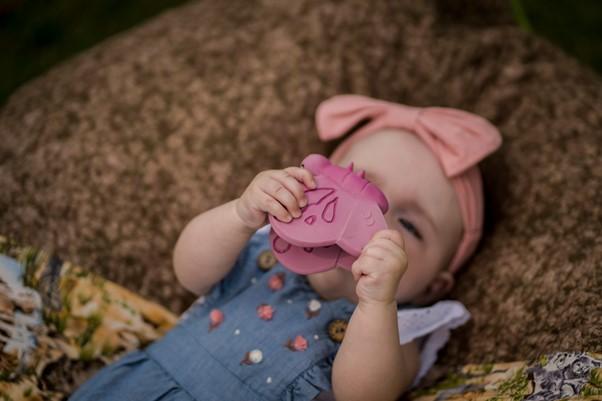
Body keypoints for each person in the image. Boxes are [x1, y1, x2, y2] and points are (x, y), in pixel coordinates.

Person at [69, 94, 502, 401]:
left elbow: (365, 395)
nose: (372, 219)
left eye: (408, 223)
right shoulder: (262, 245)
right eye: (360, 186)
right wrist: (240, 215)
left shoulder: (398, 326)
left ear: (432, 287)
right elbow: (189, 273)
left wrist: (377, 302)